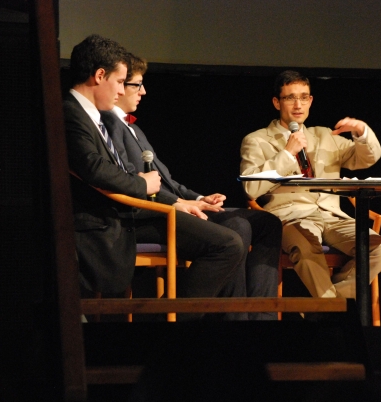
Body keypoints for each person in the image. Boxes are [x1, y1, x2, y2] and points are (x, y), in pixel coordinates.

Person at [64, 35, 244, 317]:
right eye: (121, 81)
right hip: (105, 222)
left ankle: (174, 322)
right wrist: (142, 184)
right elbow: (94, 168)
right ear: (100, 75)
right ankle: (170, 328)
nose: (123, 90)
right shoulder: (70, 113)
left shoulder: (91, 116)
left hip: (127, 210)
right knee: (227, 244)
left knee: (232, 236)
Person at [101, 54, 282, 320]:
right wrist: (181, 204)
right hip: (151, 214)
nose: (144, 91)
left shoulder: (134, 130)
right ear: (118, 87)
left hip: (176, 205)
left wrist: (198, 197)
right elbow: (136, 183)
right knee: (237, 229)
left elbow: (168, 181)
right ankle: (230, 320)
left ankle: (259, 317)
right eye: (136, 85)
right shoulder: (111, 126)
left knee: (266, 223)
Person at [240, 70, 381, 300]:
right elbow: (250, 188)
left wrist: (361, 132)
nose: (298, 105)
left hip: (331, 216)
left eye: (304, 97)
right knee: (306, 248)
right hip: (290, 217)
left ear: (311, 101)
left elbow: (366, 158)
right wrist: (286, 154)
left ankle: (323, 310)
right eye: (290, 97)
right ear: (276, 102)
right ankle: (332, 313)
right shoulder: (257, 140)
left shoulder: (324, 135)